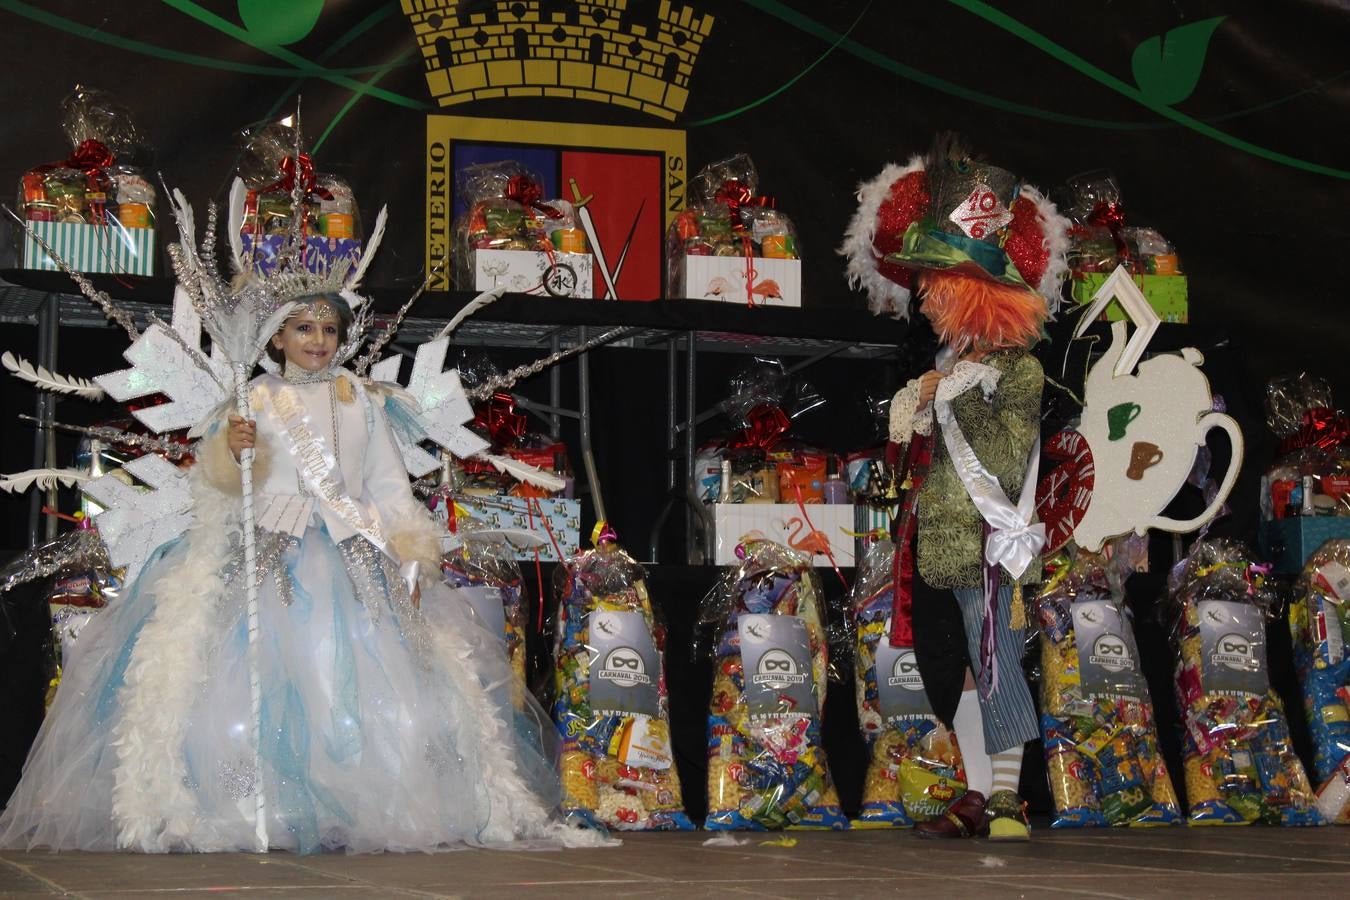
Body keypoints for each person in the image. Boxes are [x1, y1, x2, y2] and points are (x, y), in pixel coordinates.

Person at [0, 293, 590, 853]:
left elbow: (386, 485)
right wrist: (231, 452)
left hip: (356, 555)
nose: (318, 340)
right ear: (278, 336)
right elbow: (221, 489)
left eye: (329, 330)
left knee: (379, 682)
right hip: (272, 555)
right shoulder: (254, 397)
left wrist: (411, 546)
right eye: (304, 328)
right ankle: (252, 805)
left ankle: (371, 801)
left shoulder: (361, 399)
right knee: (251, 675)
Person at [842, 137, 1070, 840]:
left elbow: (1007, 457)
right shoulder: (937, 368)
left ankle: (1007, 797)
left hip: (989, 542)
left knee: (995, 662)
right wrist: (915, 410)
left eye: (939, 290)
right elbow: (908, 457)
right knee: (952, 670)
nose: (928, 303)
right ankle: (974, 792)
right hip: (932, 543)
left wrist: (960, 399)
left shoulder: (1020, 374)